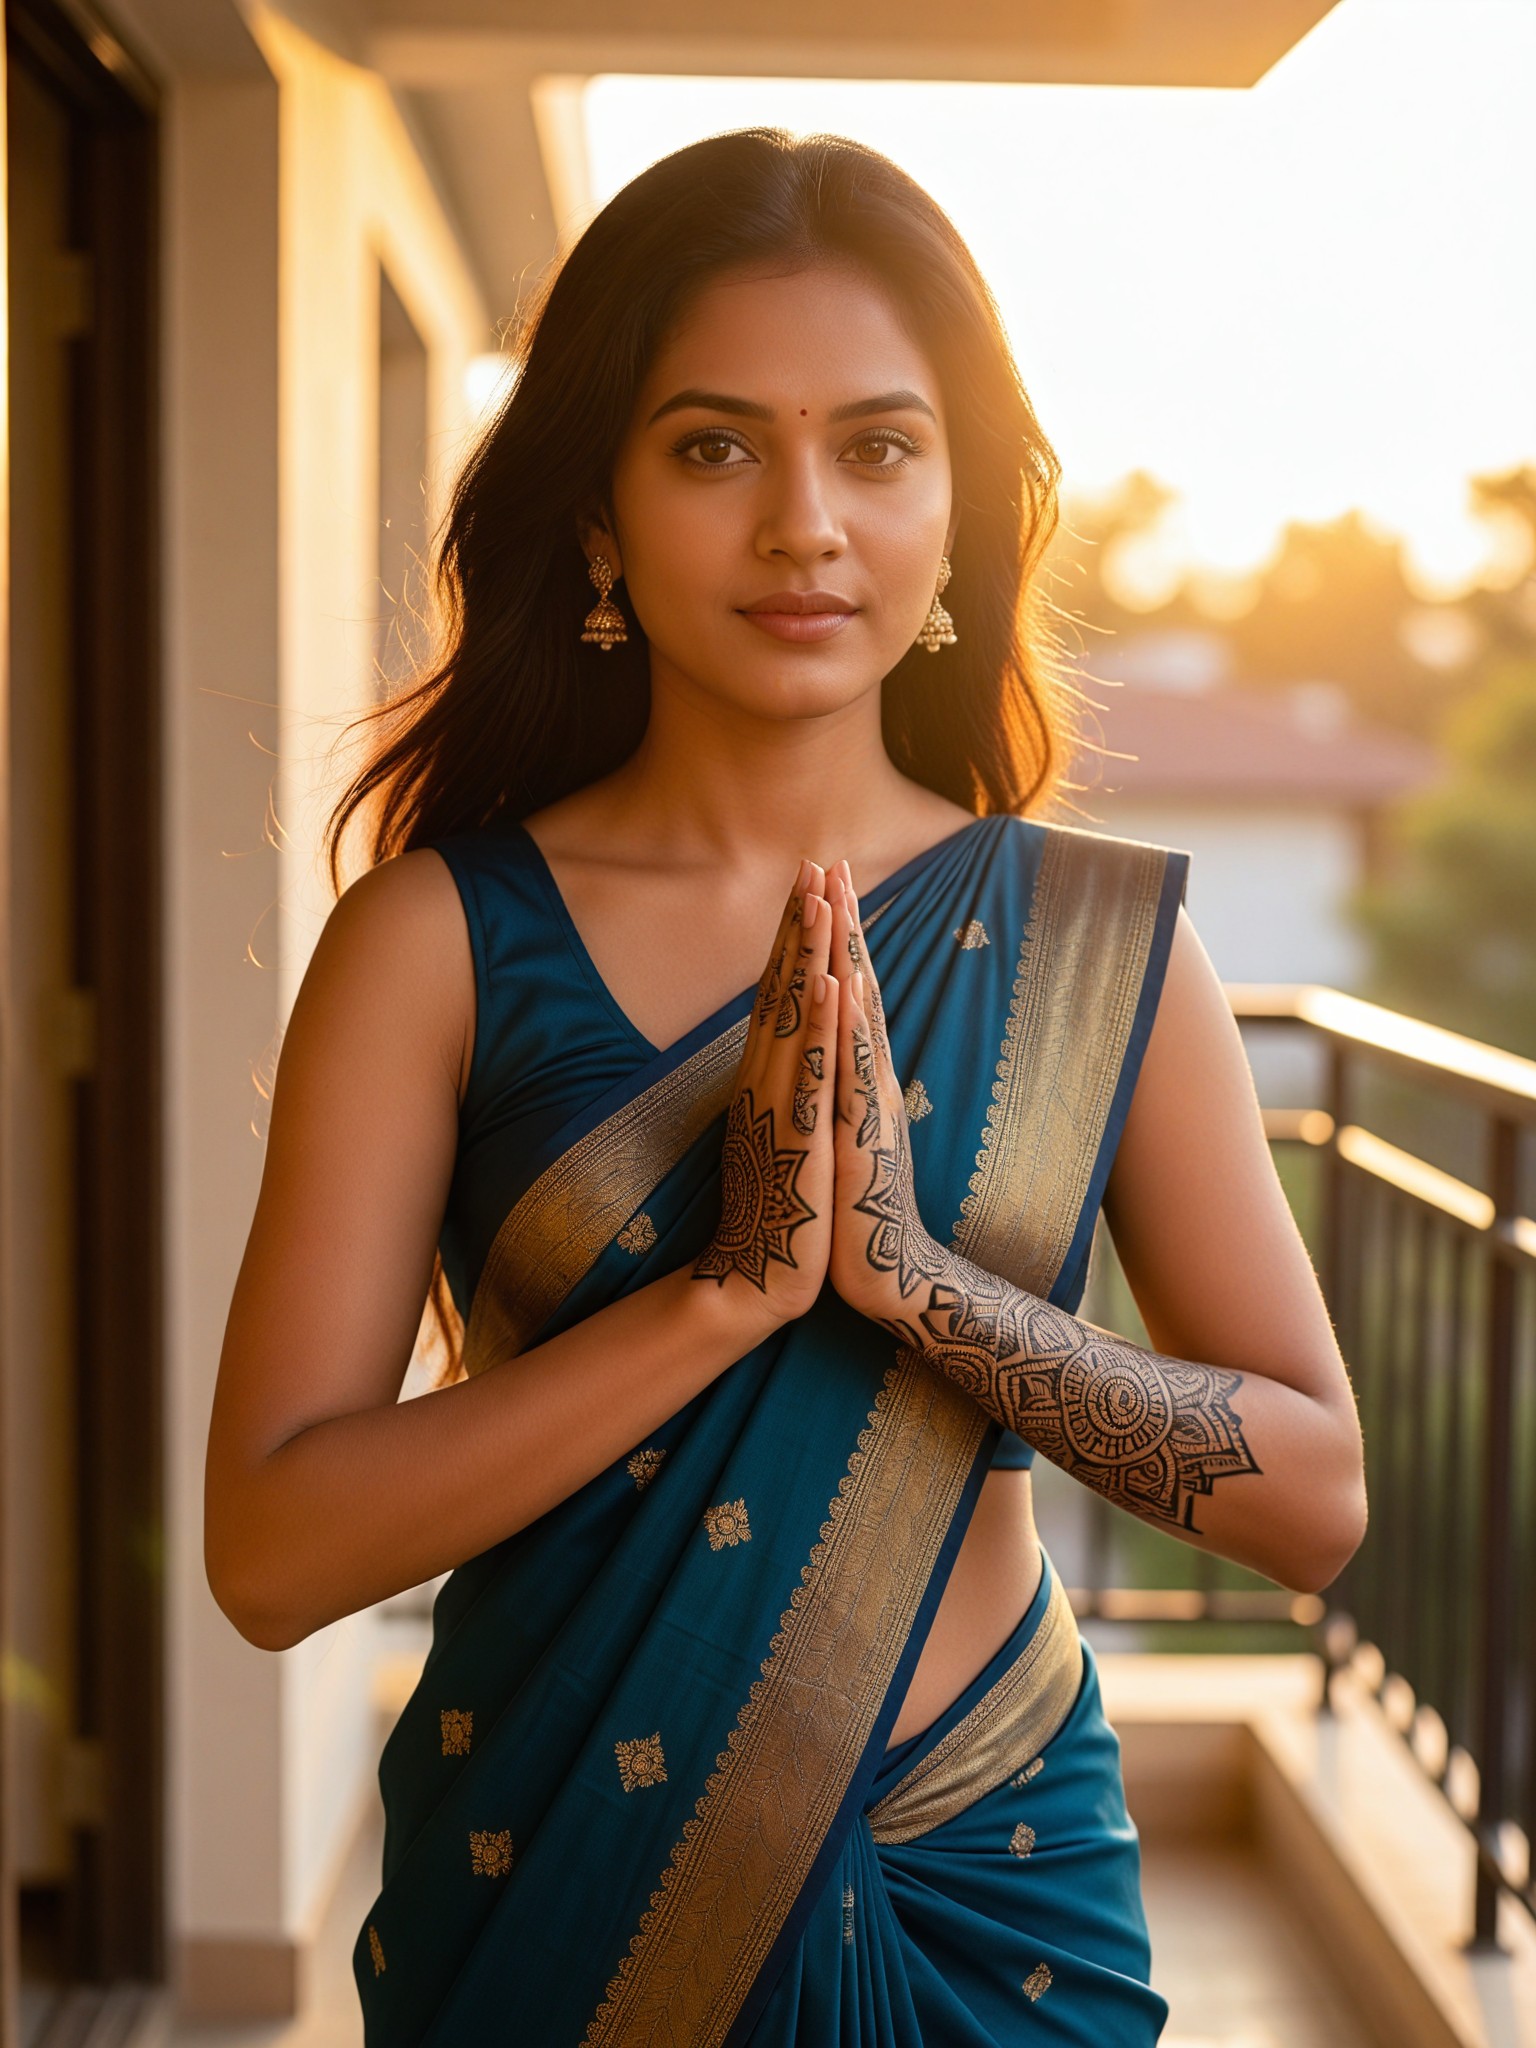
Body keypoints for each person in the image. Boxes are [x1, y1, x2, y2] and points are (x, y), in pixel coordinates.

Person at [205, 128, 1367, 2044]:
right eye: (715, 445)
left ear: (956, 511)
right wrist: (722, 1296)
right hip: (560, 1877)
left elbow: (1313, 1504)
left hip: (988, 1891)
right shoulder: (437, 943)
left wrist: (922, 1290)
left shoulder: (1099, 951)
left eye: (880, 448)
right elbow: (269, 1550)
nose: (804, 522)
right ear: (598, 510)